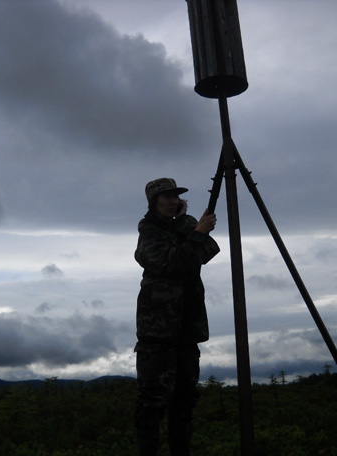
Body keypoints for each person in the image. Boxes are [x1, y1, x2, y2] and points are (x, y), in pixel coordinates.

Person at [134, 177, 220, 456]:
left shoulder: (183, 227)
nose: (173, 200)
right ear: (153, 202)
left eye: (175, 196)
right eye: (166, 197)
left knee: (184, 401)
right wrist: (197, 231)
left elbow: (207, 251)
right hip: (157, 333)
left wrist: (189, 225)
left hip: (186, 329)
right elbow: (173, 262)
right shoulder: (148, 234)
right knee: (152, 403)